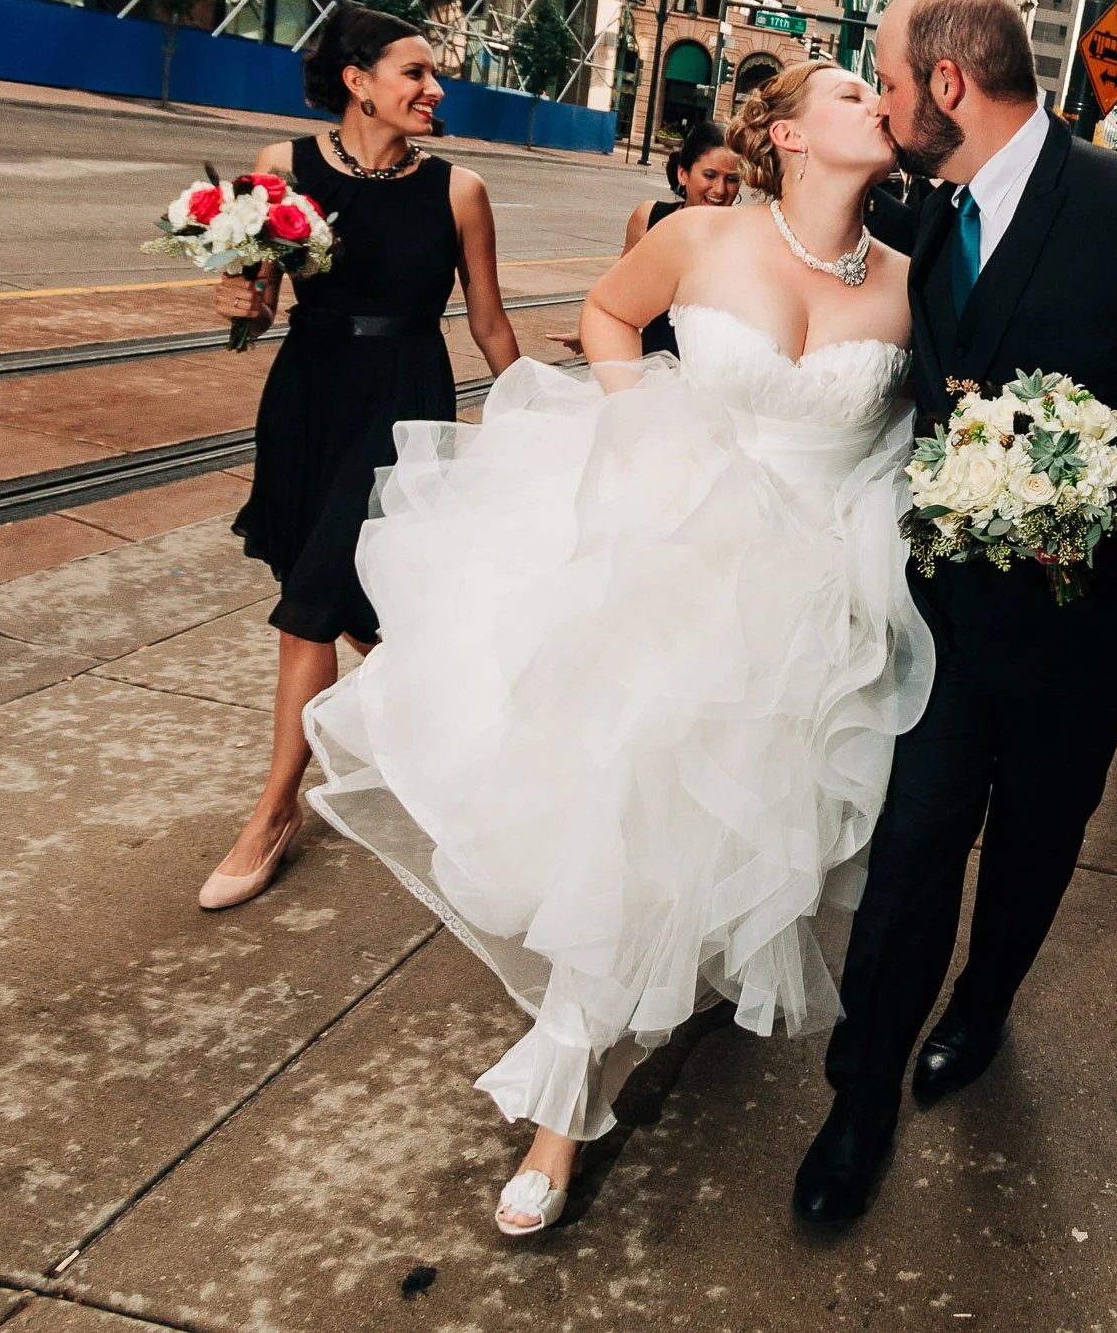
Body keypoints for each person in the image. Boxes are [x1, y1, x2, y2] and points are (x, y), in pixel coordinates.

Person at [299, 61, 930, 1237]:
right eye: (850, 92)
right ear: (788, 133)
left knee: (720, 829)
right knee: (629, 810)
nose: (877, 103)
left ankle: (632, 1009)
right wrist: (642, 423)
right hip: (673, 558)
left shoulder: (912, 278)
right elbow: (606, 314)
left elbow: (905, 432)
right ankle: (559, 1109)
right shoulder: (698, 232)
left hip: (812, 598)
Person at [793, 0, 1117, 1227]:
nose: (885, 108)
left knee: (1034, 846)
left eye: (890, 83)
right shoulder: (922, 215)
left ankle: (984, 1005)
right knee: (909, 855)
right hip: (948, 618)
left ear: (948, 83)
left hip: (1091, 621)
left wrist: (1096, 502)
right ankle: (858, 1099)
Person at [199, 8, 519, 911]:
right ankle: (472, 744)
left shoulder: (461, 190)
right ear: (357, 79)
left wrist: (538, 413)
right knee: (359, 612)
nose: (435, 89)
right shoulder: (279, 170)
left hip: (401, 406)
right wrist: (236, 300)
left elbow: (488, 321)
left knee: (308, 612)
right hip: (307, 396)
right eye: (416, 72)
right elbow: (254, 308)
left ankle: (272, 812)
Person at [627, 119, 741, 356]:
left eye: (732, 179)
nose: (720, 190)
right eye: (710, 175)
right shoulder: (649, 217)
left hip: (710, 376)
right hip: (649, 370)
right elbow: (619, 298)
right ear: (683, 173)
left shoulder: (746, 235)